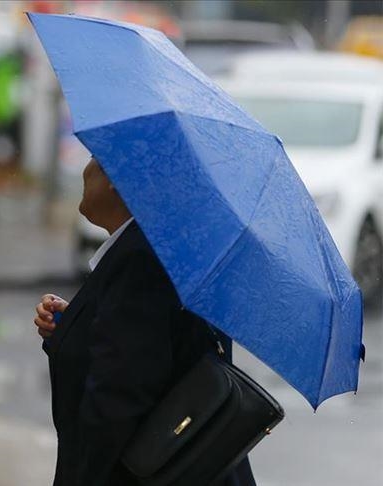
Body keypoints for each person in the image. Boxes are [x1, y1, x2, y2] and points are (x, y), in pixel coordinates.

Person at [32, 157, 256, 486]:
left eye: (94, 158)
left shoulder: (142, 259)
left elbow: (117, 399)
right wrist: (75, 326)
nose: (85, 169)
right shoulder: (166, 246)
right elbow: (153, 353)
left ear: (116, 176)